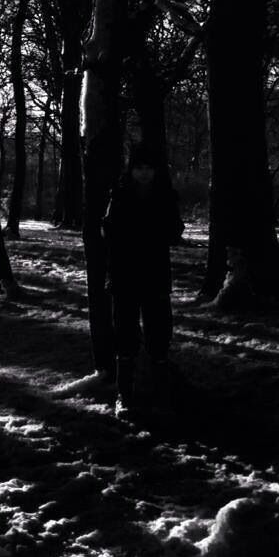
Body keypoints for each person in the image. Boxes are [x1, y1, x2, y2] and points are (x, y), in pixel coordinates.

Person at [103, 142, 184, 416]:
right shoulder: (119, 194)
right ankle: (124, 395)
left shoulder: (165, 196)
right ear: (132, 169)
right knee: (125, 336)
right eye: (139, 167)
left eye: (149, 167)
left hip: (155, 274)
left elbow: (174, 231)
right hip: (125, 274)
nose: (144, 173)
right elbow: (109, 231)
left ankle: (160, 393)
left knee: (158, 335)